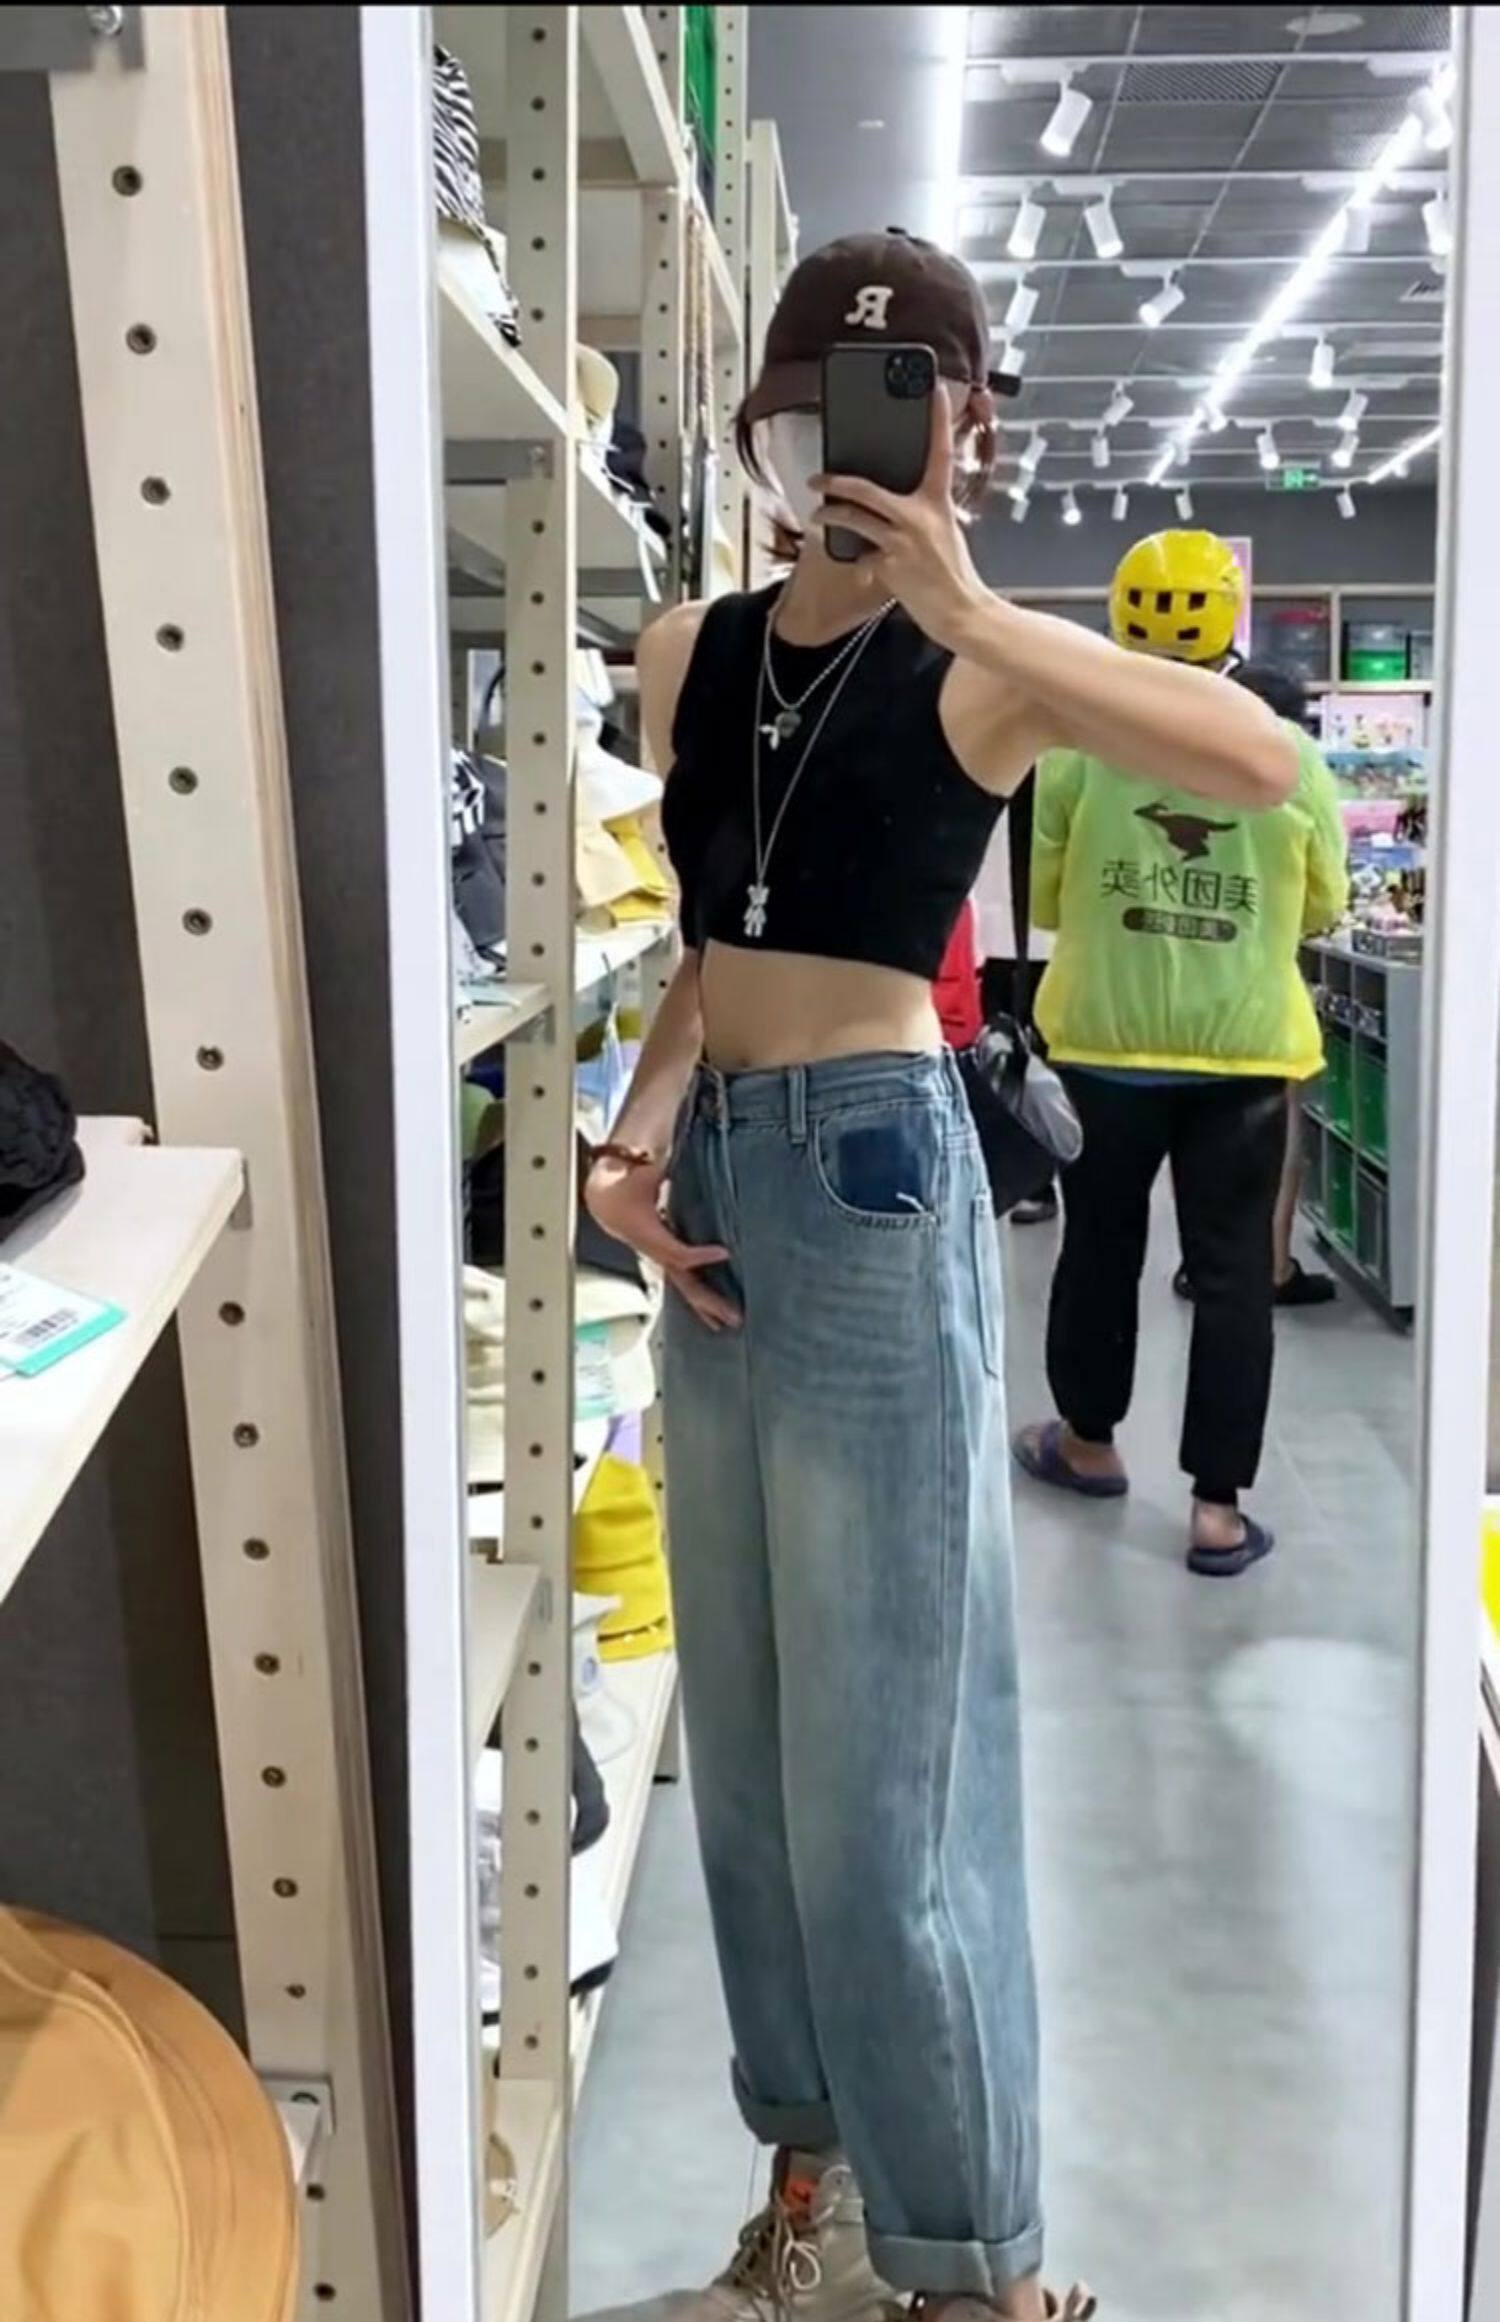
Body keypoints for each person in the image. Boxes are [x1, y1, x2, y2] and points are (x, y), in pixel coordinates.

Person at [584, 236, 1295, 2322]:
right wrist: (630, 1142)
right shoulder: (688, 650)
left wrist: (976, 601)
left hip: (881, 1182)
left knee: (893, 1770)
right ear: (764, 425)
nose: (853, 438)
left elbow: (1258, 765)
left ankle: (974, 2267)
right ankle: (808, 2193)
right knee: (748, 1758)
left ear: (970, 426)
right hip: (722, 1181)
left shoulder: (986, 667)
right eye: (818, 399)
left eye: (904, 401)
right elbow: (716, 945)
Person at [1013, 533, 1348, 1579]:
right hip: (1244, 1054)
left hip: (1103, 1044)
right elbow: (1326, 903)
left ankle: (1088, 1444)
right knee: (1236, 1274)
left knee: (1099, 1248)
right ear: (1231, 622)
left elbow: (1044, 897)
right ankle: (1216, 1510)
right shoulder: (1289, 758)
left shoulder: (1075, 750)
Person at [1171, 662, 1340, 1308]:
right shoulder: (1292, 779)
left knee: (1179, 1152)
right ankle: (1270, 1266)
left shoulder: (1175, 768)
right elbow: (1323, 905)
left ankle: (1196, 1261)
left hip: (1163, 1005)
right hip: (1256, 1013)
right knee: (1266, 1152)